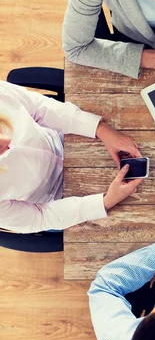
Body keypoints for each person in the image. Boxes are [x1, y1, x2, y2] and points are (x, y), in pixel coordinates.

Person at [0, 80, 143, 233]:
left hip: (59, 136)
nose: (8, 140)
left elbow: (39, 108)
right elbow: (41, 217)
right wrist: (106, 202)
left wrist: (100, 129)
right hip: (56, 200)